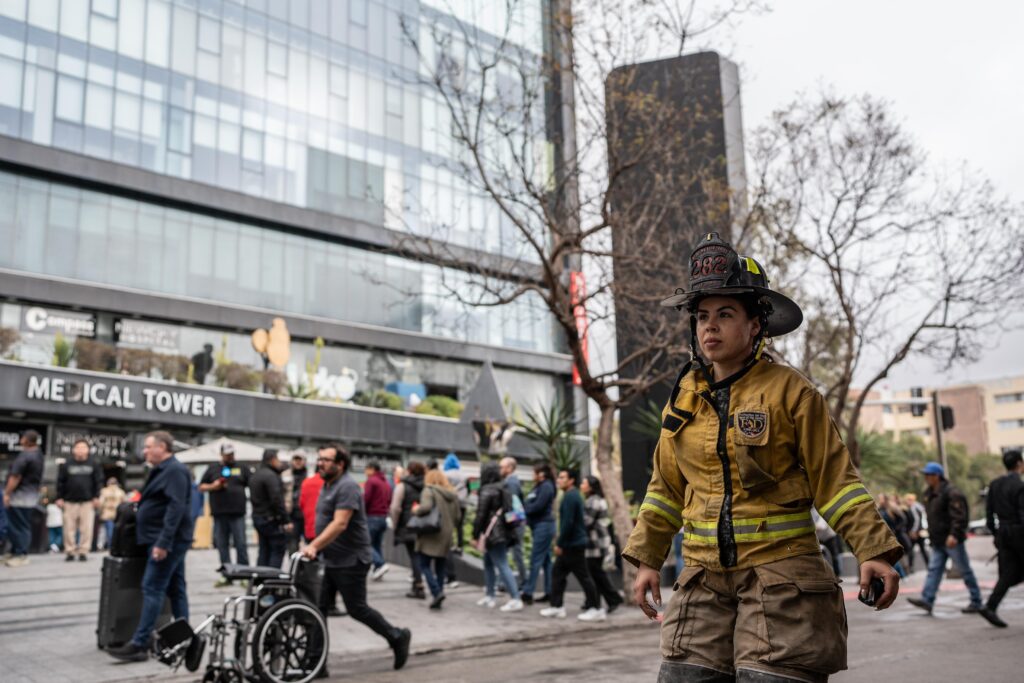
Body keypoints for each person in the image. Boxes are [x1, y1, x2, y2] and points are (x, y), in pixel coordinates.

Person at [625, 233, 902, 682]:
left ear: (756, 325)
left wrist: (874, 550)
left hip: (783, 581)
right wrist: (647, 560)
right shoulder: (683, 400)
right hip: (701, 582)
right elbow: (664, 490)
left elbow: (835, 482)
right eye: (702, 317)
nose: (709, 326)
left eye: (725, 314)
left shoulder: (792, 392)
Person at [303, 443, 411, 674]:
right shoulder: (327, 484)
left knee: (356, 609)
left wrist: (314, 545)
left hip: (351, 560)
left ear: (340, 464)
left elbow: (340, 522)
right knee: (318, 609)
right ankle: (316, 663)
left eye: (326, 460)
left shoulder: (348, 486)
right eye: (319, 458)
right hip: (330, 558)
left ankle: (397, 636)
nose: (320, 463)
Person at [106, 431, 193, 662]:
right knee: (176, 588)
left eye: (148, 447)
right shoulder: (163, 470)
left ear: (162, 447)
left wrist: (163, 542)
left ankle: (140, 643)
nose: (144, 451)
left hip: (165, 541)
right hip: (161, 538)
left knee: (153, 587)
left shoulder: (174, 470)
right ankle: (184, 639)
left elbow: (176, 508)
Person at [907, 461, 984, 615]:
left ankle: (976, 601)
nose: (926, 477)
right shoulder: (929, 493)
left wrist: (954, 535)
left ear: (938, 476)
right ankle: (927, 600)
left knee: (965, 570)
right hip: (938, 540)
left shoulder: (951, 492)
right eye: (926, 475)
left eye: (929, 475)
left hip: (951, 540)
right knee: (934, 570)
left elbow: (960, 517)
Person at [540, 468, 602, 621]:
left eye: (562, 477)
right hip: (573, 543)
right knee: (558, 573)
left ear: (571, 480)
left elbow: (568, 523)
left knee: (583, 577)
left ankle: (596, 608)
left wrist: (560, 543)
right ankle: (556, 606)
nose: (559, 480)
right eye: (559, 477)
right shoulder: (572, 495)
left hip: (573, 544)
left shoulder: (571, 497)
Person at [978, 449, 1024, 628]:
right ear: (1019, 464)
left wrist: (997, 534)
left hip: (1003, 534)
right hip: (1019, 534)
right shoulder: (1019, 486)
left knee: (1008, 574)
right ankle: (990, 606)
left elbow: (989, 516)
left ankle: (990, 606)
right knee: (1009, 573)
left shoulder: (995, 484)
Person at [472, 462, 523, 611]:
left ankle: (515, 598)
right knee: (489, 562)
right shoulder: (504, 487)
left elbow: (480, 515)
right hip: (502, 532)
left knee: (501, 564)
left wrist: (475, 535)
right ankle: (490, 594)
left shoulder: (487, 490)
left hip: (492, 533)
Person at [198, 442, 250, 584]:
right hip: (220, 513)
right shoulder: (213, 468)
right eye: (227, 454)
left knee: (241, 544)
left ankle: (244, 574)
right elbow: (201, 487)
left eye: (232, 453)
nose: (230, 456)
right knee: (222, 544)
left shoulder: (242, 468)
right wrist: (213, 486)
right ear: (221, 454)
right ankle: (227, 575)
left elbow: (251, 483)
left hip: (237, 513)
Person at [413, 469, 461, 609]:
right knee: (440, 566)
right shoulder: (452, 494)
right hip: (446, 534)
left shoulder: (429, 491)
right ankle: (438, 594)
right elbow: (458, 517)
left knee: (424, 565)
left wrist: (416, 510)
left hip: (431, 533)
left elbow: (426, 508)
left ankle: (436, 592)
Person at [55, 439, 103, 561]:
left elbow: (98, 482)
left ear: (88, 450)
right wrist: (59, 497)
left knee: (86, 528)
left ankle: (83, 551)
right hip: (69, 501)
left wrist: (97, 497)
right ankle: (70, 551)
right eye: (78, 447)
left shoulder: (94, 464)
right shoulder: (67, 464)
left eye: (83, 447)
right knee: (68, 528)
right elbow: (60, 482)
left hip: (87, 502)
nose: (81, 450)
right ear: (73, 449)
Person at [581, 475, 623, 613]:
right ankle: (594, 601)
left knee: (597, 573)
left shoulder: (593, 502)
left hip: (596, 543)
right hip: (600, 541)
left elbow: (586, 522)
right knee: (595, 573)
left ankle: (613, 598)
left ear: (591, 487)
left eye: (584, 483)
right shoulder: (598, 500)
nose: (582, 485)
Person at [3, 429, 45, 567]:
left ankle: (21, 554)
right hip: (30, 496)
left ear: (26, 440)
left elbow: (15, 477)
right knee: (21, 525)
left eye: (22, 438)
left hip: (20, 497)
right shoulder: (38, 454)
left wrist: (7, 493)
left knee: (18, 526)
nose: (20, 440)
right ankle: (15, 552)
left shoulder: (26, 455)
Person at [521, 462, 557, 604]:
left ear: (541, 474)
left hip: (544, 526)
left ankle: (528, 592)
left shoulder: (546, 486)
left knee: (535, 560)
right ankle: (549, 591)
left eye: (534, 472)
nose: (532, 475)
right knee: (546, 561)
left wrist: (524, 509)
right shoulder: (539, 487)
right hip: (539, 526)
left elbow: (538, 506)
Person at [390, 461, 426, 599]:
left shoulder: (402, 486)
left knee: (414, 556)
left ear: (409, 471)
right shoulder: (426, 485)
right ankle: (417, 583)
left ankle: (418, 585)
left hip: (408, 525)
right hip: (423, 526)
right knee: (418, 555)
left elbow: (395, 508)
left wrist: (395, 524)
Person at [250, 449, 291, 569]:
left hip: (258, 517)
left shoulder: (256, 474)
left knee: (263, 550)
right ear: (272, 459)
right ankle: (272, 582)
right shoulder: (271, 476)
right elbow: (276, 500)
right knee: (277, 550)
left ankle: (260, 581)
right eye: (277, 459)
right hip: (270, 519)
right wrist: (286, 520)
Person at [499, 456, 527, 587]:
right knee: (508, 553)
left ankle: (522, 582)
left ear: (510, 468)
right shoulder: (511, 481)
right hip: (515, 523)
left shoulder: (511, 483)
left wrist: (509, 524)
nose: (500, 469)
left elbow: (513, 506)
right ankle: (503, 582)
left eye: (502, 467)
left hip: (515, 523)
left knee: (516, 553)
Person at [363, 460, 392, 581]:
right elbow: (389, 499)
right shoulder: (385, 482)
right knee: (376, 545)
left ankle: (380, 564)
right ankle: (378, 569)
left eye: (366, 469)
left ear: (371, 469)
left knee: (365, 544)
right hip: (383, 517)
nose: (365, 472)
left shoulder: (371, 481)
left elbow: (365, 499)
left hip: (372, 517)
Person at [442, 453, 467, 588]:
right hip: (463, 504)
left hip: (452, 503)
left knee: (450, 526)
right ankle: (460, 545)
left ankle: (451, 544)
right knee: (460, 526)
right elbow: (469, 489)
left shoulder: (446, 474)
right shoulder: (463, 475)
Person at [284, 451, 309, 555]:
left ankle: (307, 569)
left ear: (304, 461)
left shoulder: (311, 475)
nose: (298, 462)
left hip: (307, 515)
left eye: (300, 459)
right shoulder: (285, 474)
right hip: (292, 515)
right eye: (295, 459)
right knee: (292, 544)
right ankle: (294, 567)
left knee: (309, 543)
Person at [904, 493, 930, 572]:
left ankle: (911, 567)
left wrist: (913, 531)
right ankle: (928, 565)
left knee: (913, 549)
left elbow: (917, 520)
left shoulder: (914, 507)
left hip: (917, 532)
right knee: (920, 549)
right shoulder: (918, 506)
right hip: (920, 531)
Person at [98, 477, 126, 550]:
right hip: (118, 513)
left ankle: (111, 545)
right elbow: (124, 503)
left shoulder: (104, 491)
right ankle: (116, 545)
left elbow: (101, 503)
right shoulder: (121, 491)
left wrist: (100, 512)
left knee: (109, 530)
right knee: (117, 530)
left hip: (107, 513)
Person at [44, 488, 63, 553]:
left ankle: (52, 545)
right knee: (60, 535)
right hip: (59, 523)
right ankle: (56, 545)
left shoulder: (48, 506)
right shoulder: (59, 507)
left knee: (51, 535)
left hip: (50, 524)